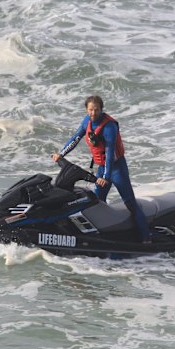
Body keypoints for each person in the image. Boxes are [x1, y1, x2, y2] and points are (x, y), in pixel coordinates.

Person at [52, 95, 151, 243]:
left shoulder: (109, 126)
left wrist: (106, 177)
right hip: (102, 169)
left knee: (130, 203)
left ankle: (146, 239)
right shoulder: (87, 121)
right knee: (97, 202)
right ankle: (102, 235)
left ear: (101, 109)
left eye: (96, 110)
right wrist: (61, 154)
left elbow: (110, 153)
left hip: (117, 169)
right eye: (90, 110)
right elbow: (75, 138)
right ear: (86, 110)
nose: (93, 113)